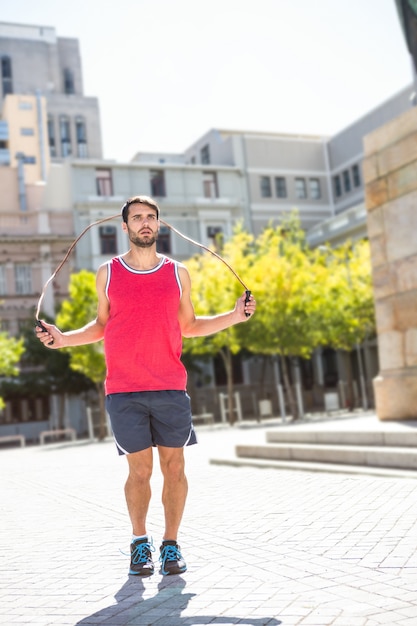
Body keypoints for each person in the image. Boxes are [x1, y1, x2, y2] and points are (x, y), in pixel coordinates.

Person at [36, 195, 256, 577]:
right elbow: (101, 327)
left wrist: (235, 316)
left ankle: (171, 544)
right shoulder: (107, 273)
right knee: (139, 472)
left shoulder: (177, 273)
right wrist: (63, 338)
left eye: (150, 217)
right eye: (137, 217)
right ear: (124, 227)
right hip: (123, 390)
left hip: (170, 386)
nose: (144, 223)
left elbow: (189, 325)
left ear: (159, 224)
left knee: (175, 468)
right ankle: (140, 543)